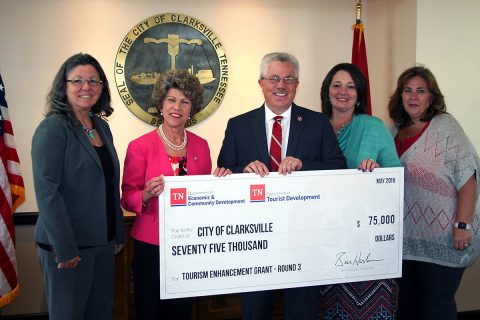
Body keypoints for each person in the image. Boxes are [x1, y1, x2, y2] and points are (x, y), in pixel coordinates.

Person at [217, 52, 346, 320]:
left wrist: (303, 165)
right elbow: (223, 173)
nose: (281, 84)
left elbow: (338, 168)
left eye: (288, 78)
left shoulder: (318, 123)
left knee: (303, 312)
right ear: (261, 83)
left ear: (297, 84)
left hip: (304, 240)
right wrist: (244, 171)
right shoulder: (238, 126)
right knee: (255, 312)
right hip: (255, 242)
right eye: (274, 78)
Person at [121, 69, 229, 319]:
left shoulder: (201, 146)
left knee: (181, 313)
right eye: (171, 100)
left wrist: (219, 185)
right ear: (161, 104)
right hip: (151, 247)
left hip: (187, 247)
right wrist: (146, 194)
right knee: (149, 312)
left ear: (192, 109)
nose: (177, 107)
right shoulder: (140, 146)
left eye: (185, 101)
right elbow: (127, 196)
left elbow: (203, 197)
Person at [31, 53, 125, 320]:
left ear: (102, 87)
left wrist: (117, 234)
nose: (87, 87)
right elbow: (48, 192)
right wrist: (65, 248)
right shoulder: (53, 128)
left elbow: (109, 186)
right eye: (78, 81)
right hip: (68, 250)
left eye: (94, 81)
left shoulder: (101, 128)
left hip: (103, 245)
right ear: (64, 87)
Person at [388, 66, 480, 320]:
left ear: (431, 97)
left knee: (435, 303)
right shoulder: (393, 129)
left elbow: (468, 177)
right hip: (406, 239)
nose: (413, 96)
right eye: (407, 90)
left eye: (421, 91)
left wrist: (463, 224)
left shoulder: (445, 126)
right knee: (407, 301)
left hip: (444, 234)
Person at [318, 63, 401, 319]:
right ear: (327, 91)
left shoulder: (373, 127)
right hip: (323, 239)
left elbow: (397, 179)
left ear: (359, 94)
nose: (343, 91)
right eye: (337, 85)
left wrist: (377, 175)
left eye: (351, 86)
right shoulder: (313, 126)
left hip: (366, 242)